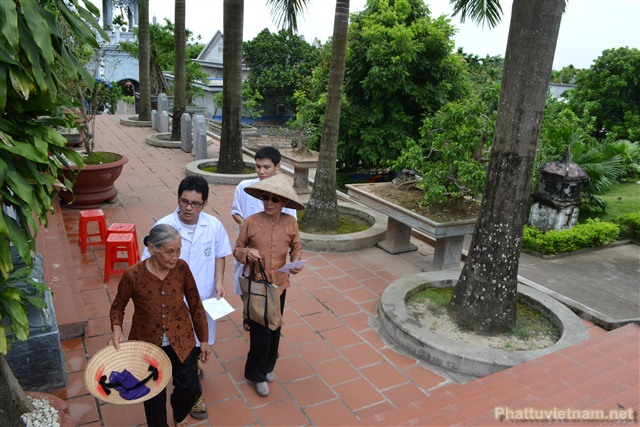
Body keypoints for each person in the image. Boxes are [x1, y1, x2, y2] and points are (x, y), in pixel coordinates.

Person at [142, 175, 232, 421]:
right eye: (184, 202)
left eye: (195, 204)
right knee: (175, 350)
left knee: (196, 345)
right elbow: (146, 263)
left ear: (204, 203)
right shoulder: (164, 226)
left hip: (202, 301)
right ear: (178, 199)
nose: (188, 208)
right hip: (170, 306)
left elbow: (220, 255)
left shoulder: (213, 226)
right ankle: (190, 392)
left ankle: (190, 389)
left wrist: (219, 282)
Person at [110, 224, 210, 427]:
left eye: (178, 250)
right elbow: (118, 306)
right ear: (152, 249)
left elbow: (195, 304)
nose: (175, 256)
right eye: (169, 252)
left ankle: (179, 412)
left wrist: (204, 340)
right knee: (153, 397)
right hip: (148, 344)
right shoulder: (133, 275)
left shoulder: (181, 268)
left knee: (191, 389)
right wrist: (117, 329)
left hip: (181, 339)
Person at [233, 174, 305, 397]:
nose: (269, 202)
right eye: (266, 197)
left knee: (275, 327)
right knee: (260, 333)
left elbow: (297, 247)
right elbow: (237, 249)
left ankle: (268, 366)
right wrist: (247, 253)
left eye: (275, 199)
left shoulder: (291, 222)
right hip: (257, 285)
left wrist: (296, 261)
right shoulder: (250, 221)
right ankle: (256, 374)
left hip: (279, 284)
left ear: (284, 202)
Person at [231, 146, 296, 330]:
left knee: (273, 288)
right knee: (246, 282)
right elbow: (235, 212)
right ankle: (249, 314)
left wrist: (294, 256)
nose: (261, 171)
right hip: (248, 245)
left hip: (273, 253)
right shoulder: (244, 187)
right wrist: (247, 225)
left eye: (266, 167)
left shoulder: (284, 192)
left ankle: (271, 319)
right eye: (258, 166)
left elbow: (292, 227)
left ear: (278, 167)